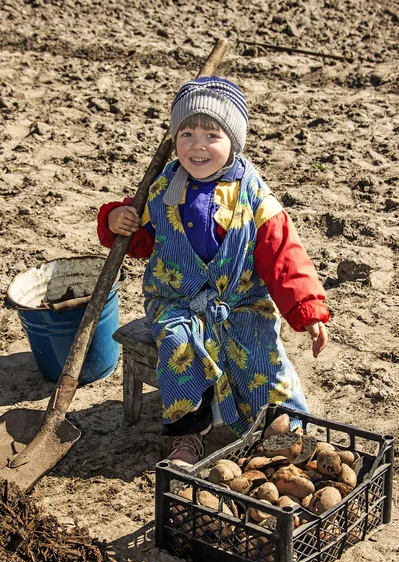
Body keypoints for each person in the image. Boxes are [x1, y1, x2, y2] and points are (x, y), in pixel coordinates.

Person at [97, 76, 330, 467]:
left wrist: (307, 311)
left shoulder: (253, 194)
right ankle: (188, 434)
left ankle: (282, 430)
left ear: (234, 141)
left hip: (239, 300)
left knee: (261, 354)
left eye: (212, 134)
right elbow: (139, 241)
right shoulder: (164, 186)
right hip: (177, 300)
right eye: (186, 133)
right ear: (174, 140)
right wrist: (116, 218)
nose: (198, 145)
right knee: (178, 346)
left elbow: (284, 255)